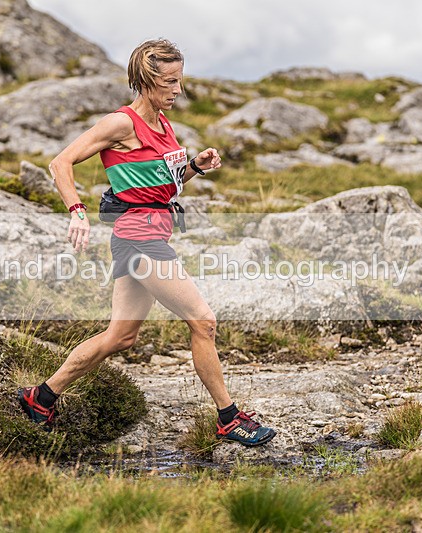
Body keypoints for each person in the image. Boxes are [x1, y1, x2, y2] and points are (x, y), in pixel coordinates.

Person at [17, 39, 275, 447]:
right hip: (139, 239)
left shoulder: (164, 125)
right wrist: (77, 211)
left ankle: (41, 397)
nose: (177, 90)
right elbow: (59, 162)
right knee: (203, 321)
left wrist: (193, 167)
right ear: (145, 80)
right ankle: (228, 419)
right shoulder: (122, 123)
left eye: (179, 80)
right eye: (169, 81)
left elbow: (160, 185)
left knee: (120, 337)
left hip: (148, 233)